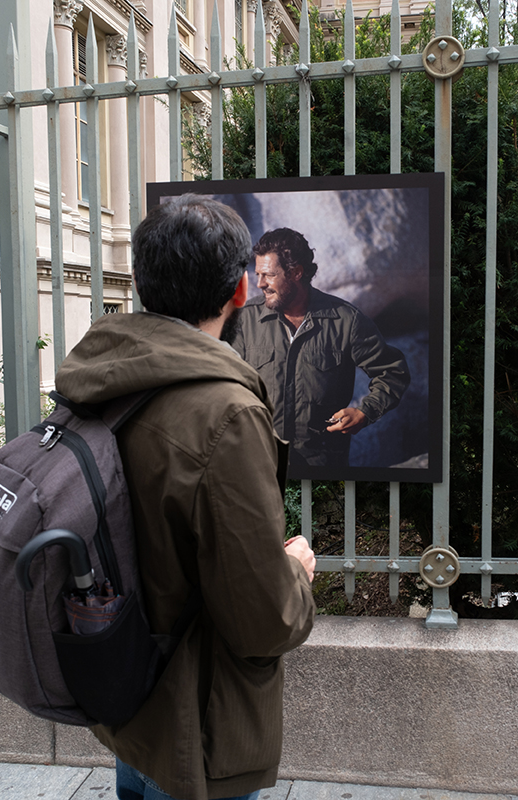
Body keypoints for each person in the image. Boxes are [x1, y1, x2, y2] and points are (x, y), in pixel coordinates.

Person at [54, 195, 317, 800]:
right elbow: (262, 620)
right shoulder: (226, 414)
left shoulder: (100, 377)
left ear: (145, 282)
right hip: (199, 725)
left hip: (128, 698)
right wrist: (296, 573)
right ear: (241, 291)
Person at [231, 228, 411, 470]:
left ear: (296, 272)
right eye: (258, 274)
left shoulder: (346, 320)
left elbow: (393, 372)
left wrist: (365, 413)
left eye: (268, 275)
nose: (260, 283)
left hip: (322, 468)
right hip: (256, 466)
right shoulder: (245, 320)